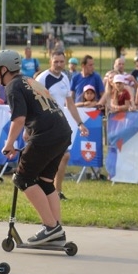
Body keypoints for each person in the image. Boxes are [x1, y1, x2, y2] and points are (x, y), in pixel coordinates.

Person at [0, 49, 72, 245]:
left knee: (22, 178)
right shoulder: (29, 80)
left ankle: (50, 227)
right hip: (62, 131)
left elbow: (19, 119)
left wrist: (9, 143)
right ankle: (56, 230)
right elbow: (36, 111)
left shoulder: (12, 86)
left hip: (47, 134)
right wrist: (28, 133)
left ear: (4, 69)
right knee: (45, 181)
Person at [37, 51, 90, 200]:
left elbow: (70, 103)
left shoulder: (65, 78)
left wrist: (80, 123)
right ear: (50, 62)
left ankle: (56, 192)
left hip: (58, 123)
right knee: (53, 157)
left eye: (61, 61)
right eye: (56, 62)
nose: (59, 64)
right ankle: (45, 191)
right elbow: (34, 102)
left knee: (63, 156)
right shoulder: (43, 78)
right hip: (45, 124)